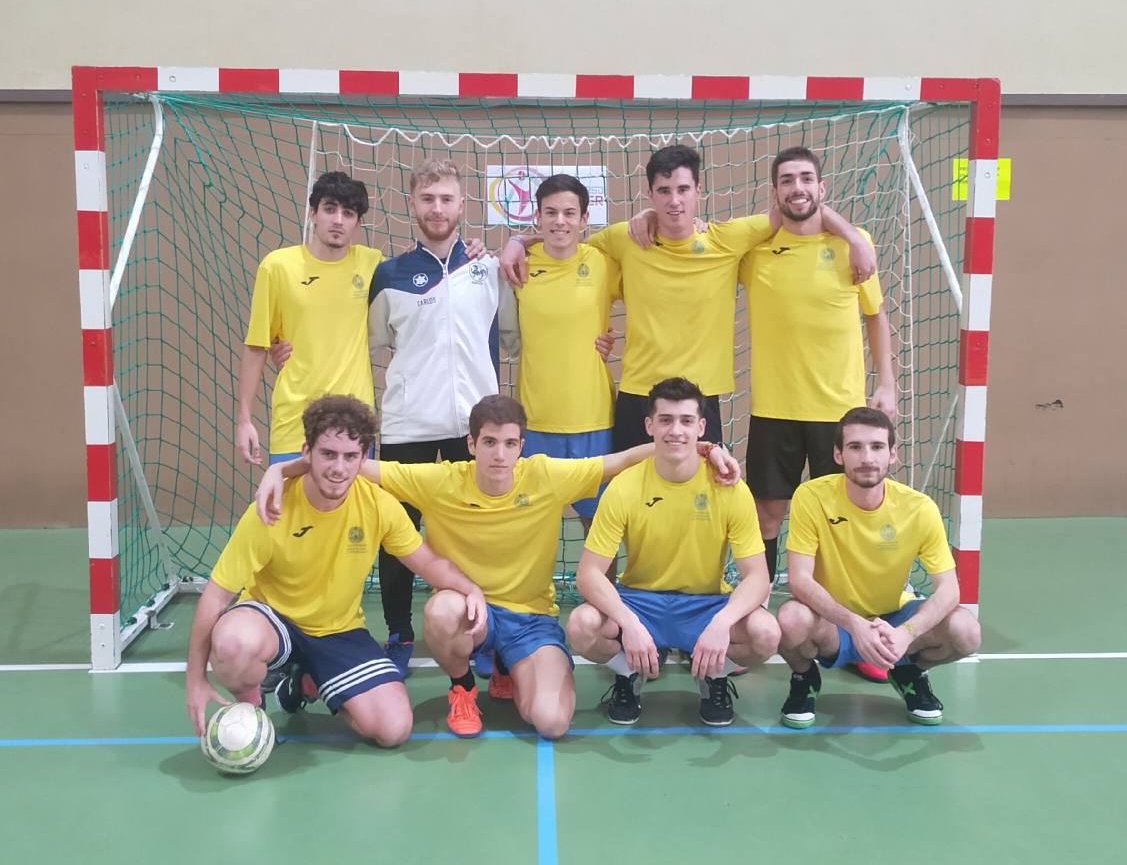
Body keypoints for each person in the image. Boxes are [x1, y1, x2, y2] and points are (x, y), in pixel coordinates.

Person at [257, 394, 741, 739]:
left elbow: (618, 461)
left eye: (510, 443)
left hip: (531, 620)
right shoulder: (438, 481)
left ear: (522, 445)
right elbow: (351, 464)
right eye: (489, 443)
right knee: (442, 611)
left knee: (551, 723)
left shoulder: (546, 475)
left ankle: (510, 666)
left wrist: (701, 449)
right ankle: (464, 687)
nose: (500, 454)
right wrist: (281, 469)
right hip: (472, 611)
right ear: (471, 444)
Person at [501, 145, 873, 454]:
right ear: (650, 195)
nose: (674, 200)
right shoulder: (623, 239)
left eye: (682, 189)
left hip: (701, 395)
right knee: (631, 502)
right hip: (637, 395)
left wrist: (853, 238)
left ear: (699, 192)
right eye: (663, 191)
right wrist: (518, 242)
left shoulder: (728, 239)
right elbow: (564, 246)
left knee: (707, 502)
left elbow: (796, 206)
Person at [185, 395, 487, 747]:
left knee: (393, 729)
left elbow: (428, 563)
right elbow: (216, 595)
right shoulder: (272, 506)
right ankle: (254, 711)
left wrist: (471, 589)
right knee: (234, 644)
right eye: (328, 454)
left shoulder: (378, 504)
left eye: (350, 456)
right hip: (273, 621)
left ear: (364, 458)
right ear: (306, 452)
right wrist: (195, 679)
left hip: (338, 631)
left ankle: (307, 680)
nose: (338, 468)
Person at [739, 146, 896, 680]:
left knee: (842, 522)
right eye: (787, 180)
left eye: (807, 178)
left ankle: (857, 632)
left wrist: (888, 383)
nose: (797, 188)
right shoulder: (757, 249)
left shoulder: (856, 248)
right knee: (767, 517)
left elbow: (875, 318)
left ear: (822, 188)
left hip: (840, 412)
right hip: (775, 411)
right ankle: (754, 620)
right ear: (775, 191)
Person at [567, 378, 779, 726]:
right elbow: (588, 573)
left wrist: (722, 623)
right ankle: (629, 673)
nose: (675, 430)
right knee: (581, 625)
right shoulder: (625, 486)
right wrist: (628, 622)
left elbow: (758, 577)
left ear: (701, 427)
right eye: (665, 420)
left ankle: (713, 676)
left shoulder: (730, 488)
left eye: (685, 420)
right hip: (641, 602)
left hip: (705, 603)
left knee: (766, 633)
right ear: (650, 426)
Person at [366, 158, 501, 675]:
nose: (437, 208)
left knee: (479, 531)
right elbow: (376, 342)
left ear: (462, 203)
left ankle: (483, 629)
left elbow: (508, 337)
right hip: (407, 426)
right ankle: (400, 632)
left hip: (474, 429)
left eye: (446, 198)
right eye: (428, 199)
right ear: (413, 205)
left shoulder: (489, 270)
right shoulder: (390, 274)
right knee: (398, 531)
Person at [776, 407, 981, 728]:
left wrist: (905, 634)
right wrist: (855, 624)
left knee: (966, 631)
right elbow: (799, 581)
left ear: (893, 455)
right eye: (855, 447)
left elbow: (950, 590)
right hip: (835, 624)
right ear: (838, 454)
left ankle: (907, 670)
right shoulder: (811, 496)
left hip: (893, 621)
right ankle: (805, 679)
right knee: (790, 619)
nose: (867, 457)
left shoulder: (919, 509)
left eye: (876, 446)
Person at [498, 173, 618, 534]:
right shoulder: (517, 264)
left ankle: (598, 593)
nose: (560, 221)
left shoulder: (603, 262)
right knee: (531, 519)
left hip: (593, 417)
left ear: (584, 219)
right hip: (535, 420)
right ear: (537, 217)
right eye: (550, 213)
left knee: (597, 520)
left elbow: (649, 300)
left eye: (569, 213)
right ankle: (528, 592)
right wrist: (516, 240)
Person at [236, 172, 379, 465]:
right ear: (313, 213)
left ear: (357, 222)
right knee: (290, 510)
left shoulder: (373, 264)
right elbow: (257, 345)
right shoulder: (277, 267)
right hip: (294, 423)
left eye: (348, 213)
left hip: (355, 424)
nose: (338, 219)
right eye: (329, 209)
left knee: (354, 512)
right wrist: (244, 419)